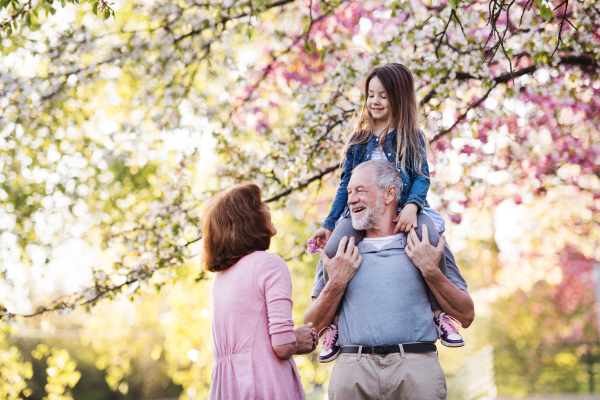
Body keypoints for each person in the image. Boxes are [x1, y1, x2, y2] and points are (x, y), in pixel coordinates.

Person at [307, 63, 464, 363]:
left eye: (383, 95)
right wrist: (330, 223)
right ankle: (334, 325)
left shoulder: (410, 136)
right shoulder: (358, 141)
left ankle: (439, 315)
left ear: (399, 98)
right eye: (370, 95)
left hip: (407, 207)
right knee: (334, 246)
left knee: (429, 236)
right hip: (363, 213)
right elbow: (345, 184)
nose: (375, 101)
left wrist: (412, 207)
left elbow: (421, 176)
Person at [304, 160, 475, 399]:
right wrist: (336, 283)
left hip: (416, 369)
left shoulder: (426, 243)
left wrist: (431, 271)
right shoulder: (339, 251)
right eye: (349, 192)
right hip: (353, 370)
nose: (351, 199)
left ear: (389, 194)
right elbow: (311, 326)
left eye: (360, 190)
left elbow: (465, 315)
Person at [203, 184, 318, 400]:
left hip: (228, 389)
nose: (267, 209)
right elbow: (283, 346)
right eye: (260, 205)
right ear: (248, 219)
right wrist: (298, 338)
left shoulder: (220, 279)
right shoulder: (269, 265)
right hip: (265, 385)